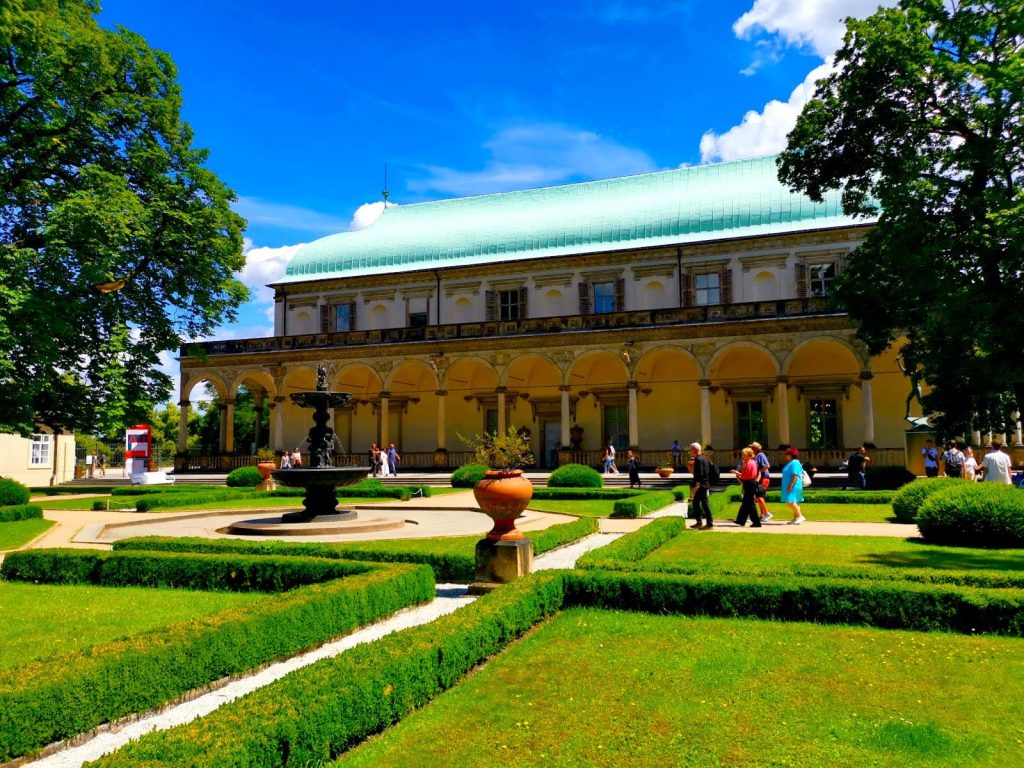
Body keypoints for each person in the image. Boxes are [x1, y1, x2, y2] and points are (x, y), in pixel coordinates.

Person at [733, 446, 761, 527]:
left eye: (743, 454)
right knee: (746, 503)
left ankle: (756, 522)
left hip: (749, 483)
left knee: (750, 504)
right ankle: (741, 520)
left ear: (748, 455)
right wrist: (738, 473)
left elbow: (745, 476)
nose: (742, 455)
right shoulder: (752, 462)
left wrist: (737, 474)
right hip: (751, 483)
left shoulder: (748, 463)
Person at [689, 442, 713, 530]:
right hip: (706, 483)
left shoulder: (698, 459)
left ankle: (707, 523)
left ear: (695, 450)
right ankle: (704, 522)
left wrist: (697, 485)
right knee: (703, 503)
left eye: (691, 449)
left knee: (698, 503)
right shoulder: (705, 458)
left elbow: (700, 473)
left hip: (701, 485)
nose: (690, 451)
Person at [780, 447, 806, 524]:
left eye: (787, 454)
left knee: (789, 501)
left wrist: (790, 485)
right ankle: (796, 518)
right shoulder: (793, 462)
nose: (785, 455)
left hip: (794, 485)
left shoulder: (794, 463)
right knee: (796, 502)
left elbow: (795, 475)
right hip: (795, 485)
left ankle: (800, 516)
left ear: (791, 455)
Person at [750, 442, 772, 522]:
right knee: (759, 496)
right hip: (759, 479)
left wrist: (759, 471)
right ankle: (762, 515)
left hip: (763, 478)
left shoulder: (760, 455)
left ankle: (767, 513)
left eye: (752, 447)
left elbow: (767, 466)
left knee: (759, 496)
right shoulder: (755, 456)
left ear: (756, 448)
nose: (751, 449)